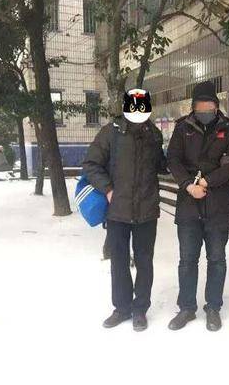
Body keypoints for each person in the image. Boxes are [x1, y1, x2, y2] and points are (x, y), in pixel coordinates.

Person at [82, 88, 167, 332]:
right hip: (117, 210)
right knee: (119, 261)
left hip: (147, 210)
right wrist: (108, 189)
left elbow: (160, 165)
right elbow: (91, 164)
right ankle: (121, 308)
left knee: (144, 261)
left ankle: (140, 309)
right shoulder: (111, 132)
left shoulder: (153, 134)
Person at [167, 81, 229, 332]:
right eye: (199, 107)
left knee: (217, 259)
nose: (204, 110)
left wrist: (208, 181)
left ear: (216, 105)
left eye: (208, 106)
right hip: (189, 204)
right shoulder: (182, 128)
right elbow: (173, 160)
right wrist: (188, 185)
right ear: (193, 107)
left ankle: (213, 308)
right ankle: (186, 308)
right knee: (187, 260)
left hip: (218, 205)